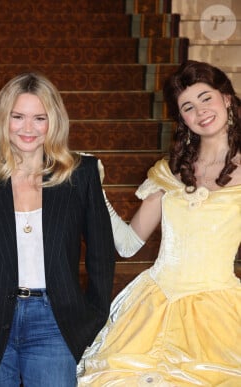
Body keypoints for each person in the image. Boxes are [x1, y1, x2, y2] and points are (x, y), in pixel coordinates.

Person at [0, 72, 116, 387]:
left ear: (54, 121)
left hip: (55, 323)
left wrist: (94, 317)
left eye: (39, 118)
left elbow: (102, 254)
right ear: (3, 120)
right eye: (17, 117)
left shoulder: (81, 174)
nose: (28, 128)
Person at [78, 60, 241, 385]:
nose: (201, 111)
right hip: (153, 304)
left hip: (216, 313)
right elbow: (127, 244)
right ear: (182, 117)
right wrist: (96, 192)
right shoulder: (169, 171)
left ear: (225, 97)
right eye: (188, 106)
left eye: (206, 98)